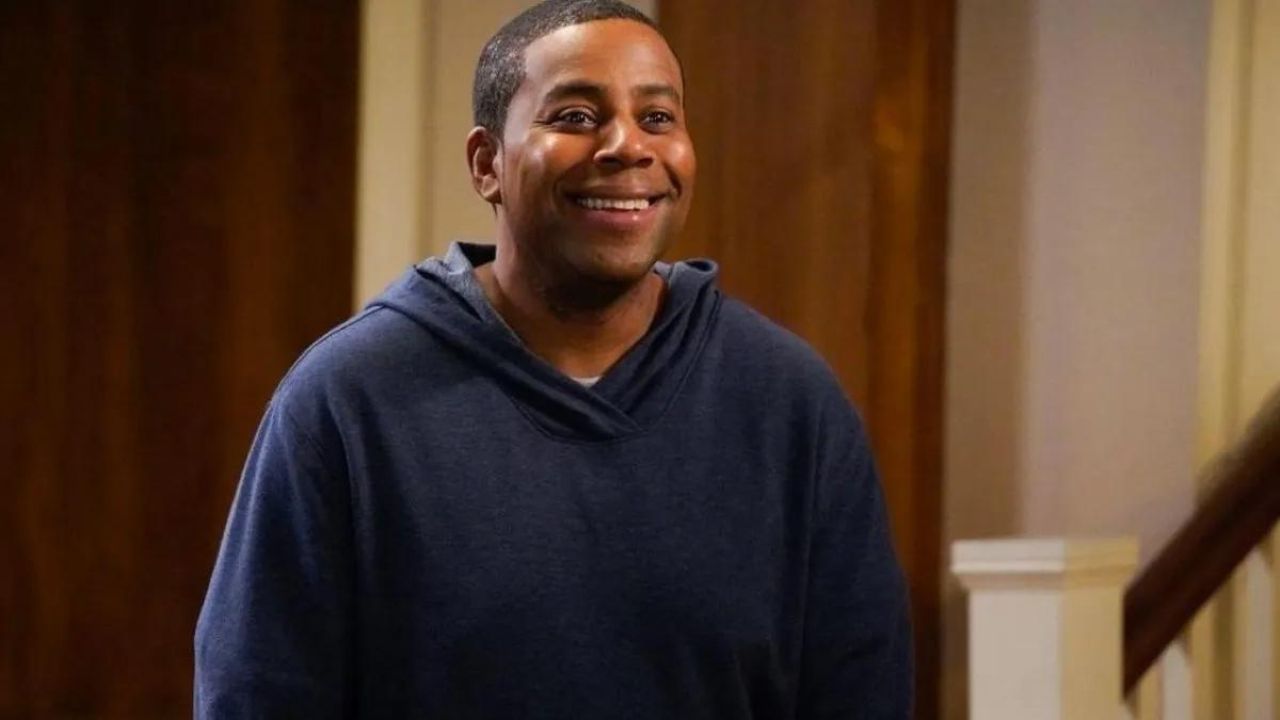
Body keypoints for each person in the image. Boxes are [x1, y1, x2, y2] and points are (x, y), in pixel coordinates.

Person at [194, 0, 912, 717]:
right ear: (487, 164)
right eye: (575, 116)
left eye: (657, 117)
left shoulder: (790, 403)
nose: (627, 145)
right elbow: (257, 694)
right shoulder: (346, 401)